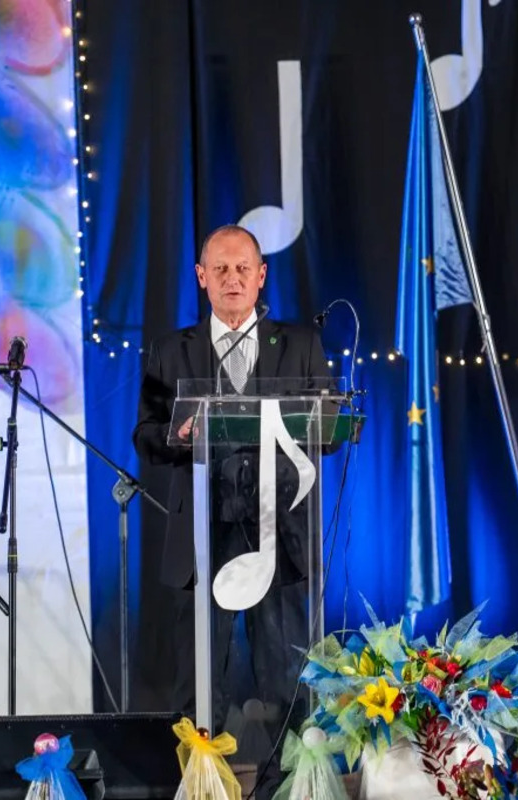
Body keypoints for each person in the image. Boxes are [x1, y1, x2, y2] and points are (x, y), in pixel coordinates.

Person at [132, 224, 333, 784]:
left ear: (261, 275)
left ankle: (288, 789)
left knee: (287, 679)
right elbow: (145, 435)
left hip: (280, 537)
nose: (232, 278)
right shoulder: (171, 350)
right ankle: (202, 788)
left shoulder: (300, 345)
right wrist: (178, 434)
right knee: (198, 685)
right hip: (202, 538)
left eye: (243, 268)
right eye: (220, 269)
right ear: (201, 277)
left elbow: (330, 429)